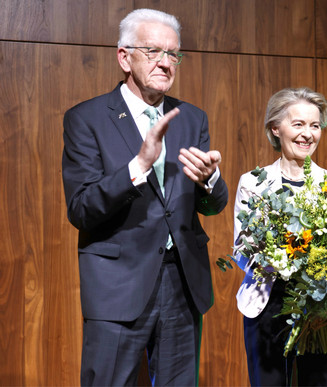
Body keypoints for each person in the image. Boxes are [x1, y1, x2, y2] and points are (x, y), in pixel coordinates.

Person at [62, 9, 228, 386]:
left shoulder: (192, 118)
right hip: (118, 284)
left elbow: (211, 205)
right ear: (124, 57)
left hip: (183, 281)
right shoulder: (86, 119)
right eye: (153, 51)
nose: (165, 63)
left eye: (173, 54)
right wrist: (138, 165)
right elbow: (82, 208)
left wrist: (210, 179)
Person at [233, 87, 327, 386]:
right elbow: (241, 250)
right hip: (268, 302)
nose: (308, 134)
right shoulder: (253, 183)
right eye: (298, 124)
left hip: (322, 307)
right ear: (275, 128)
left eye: (315, 125)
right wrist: (282, 258)